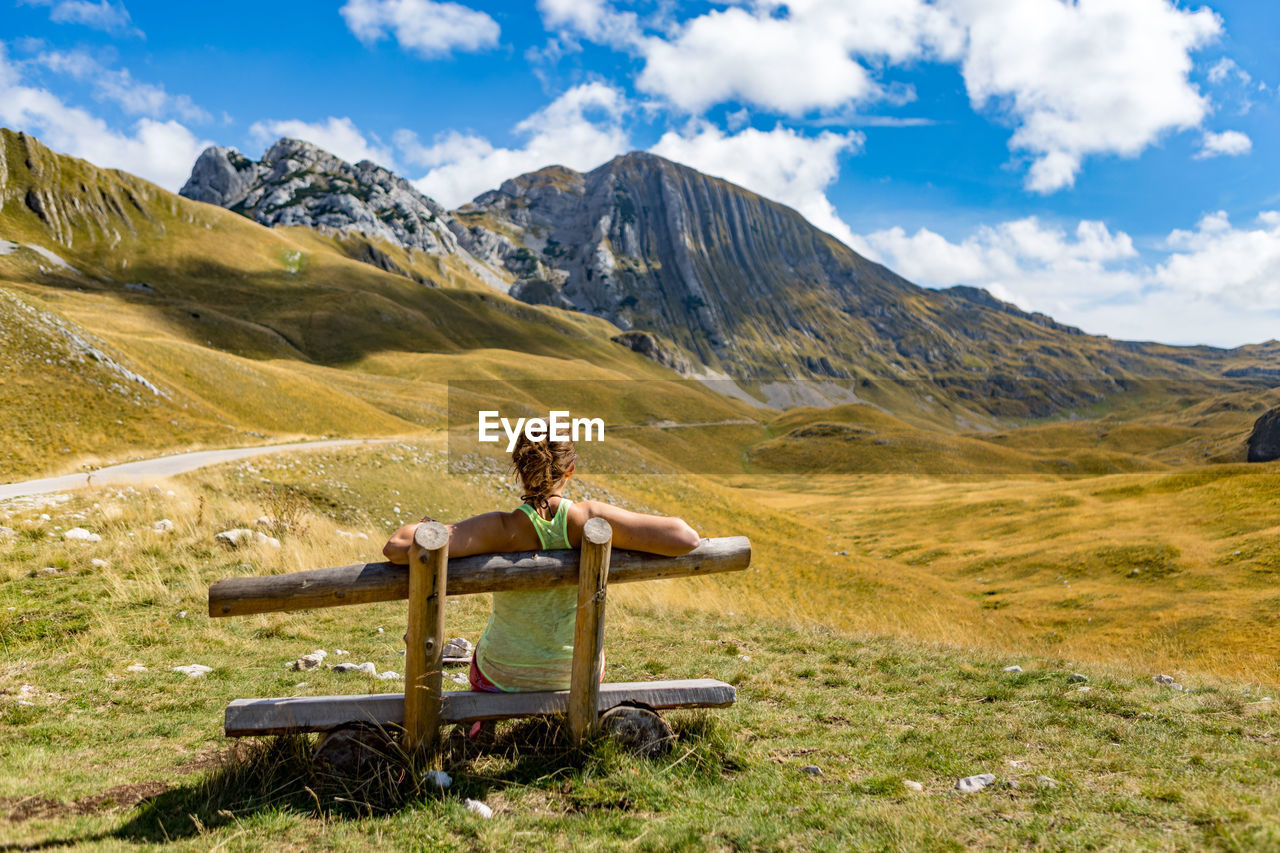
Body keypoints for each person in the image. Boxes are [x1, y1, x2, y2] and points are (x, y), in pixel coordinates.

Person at [382, 435, 701, 693]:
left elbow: (396, 547)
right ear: (571, 468)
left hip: (501, 674)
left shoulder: (501, 529)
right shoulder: (586, 519)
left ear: (519, 469)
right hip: (576, 672)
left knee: (485, 653)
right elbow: (686, 538)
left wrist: (428, 525)